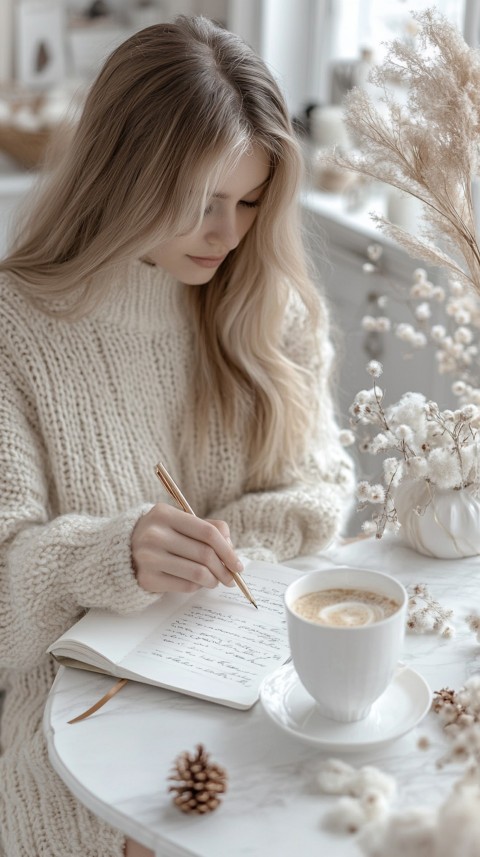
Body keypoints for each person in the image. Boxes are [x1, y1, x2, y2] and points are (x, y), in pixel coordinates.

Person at [0, 14, 354, 857]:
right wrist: (112, 556)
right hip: (75, 713)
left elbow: (322, 490)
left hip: (256, 673)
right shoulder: (17, 328)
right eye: (201, 203)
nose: (228, 235)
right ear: (122, 174)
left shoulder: (276, 308)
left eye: (251, 202)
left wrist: (213, 553)